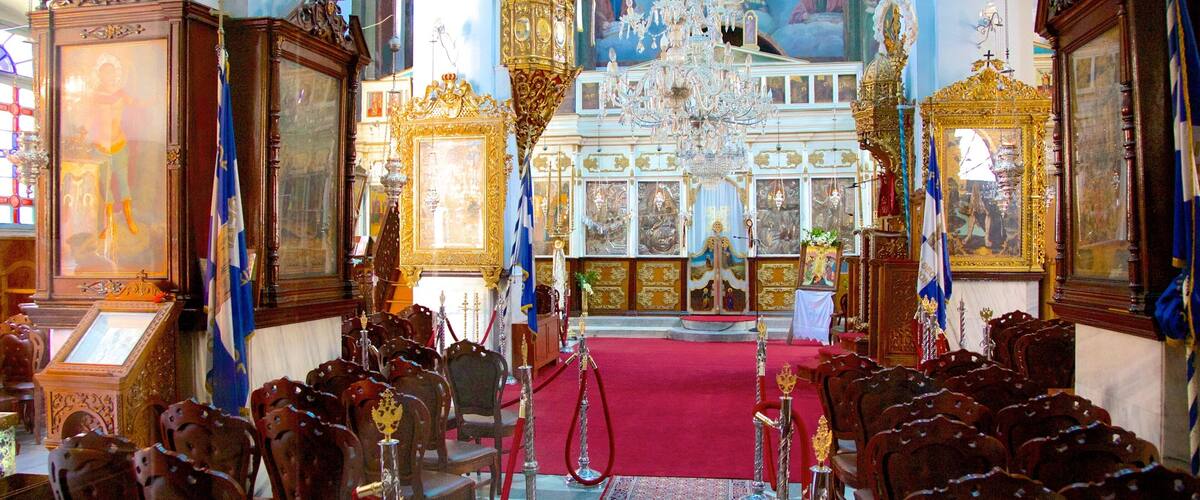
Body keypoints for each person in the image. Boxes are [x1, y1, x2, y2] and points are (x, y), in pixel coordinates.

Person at [86, 57, 139, 239]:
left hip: (118, 143)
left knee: (123, 182)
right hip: (100, 145)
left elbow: (135, 105)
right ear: (100, 75)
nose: (108, 76)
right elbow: (102, 103)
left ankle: (129, 218)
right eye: (105, 72)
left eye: (111, 72)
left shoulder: (121, 93)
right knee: (104, 185)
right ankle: (108, 224)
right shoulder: (95, 95)